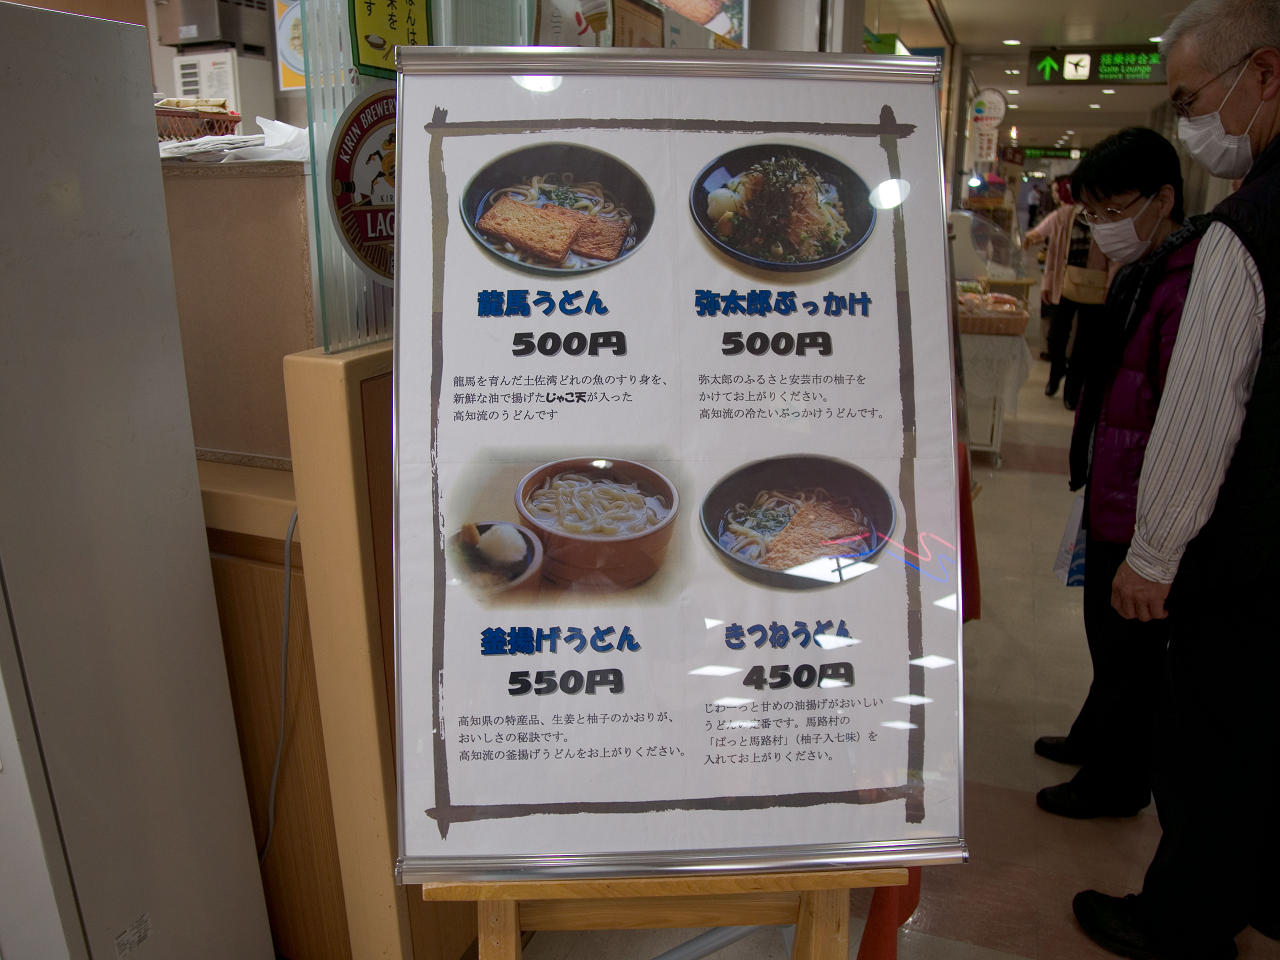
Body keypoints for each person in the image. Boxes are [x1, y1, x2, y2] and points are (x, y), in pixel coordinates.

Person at [1071, 2, 1280, 958]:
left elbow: (1203, 407)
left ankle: (1183, 923)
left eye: (1190, 99)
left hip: (1245, 553)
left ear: (1263, 75)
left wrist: (1153, 552)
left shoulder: (1245, 230)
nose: (1191, 120)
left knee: (1213, 742)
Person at [1032, 128, 1206, 823]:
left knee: (1131, 646)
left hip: (1142, 497)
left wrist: (1155, 528)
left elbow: (1181, 411)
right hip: (1111, 483)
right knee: (1105, 632)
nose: (1102, 225)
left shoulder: (1186, 282)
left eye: (1113, 209)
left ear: (1163, 198)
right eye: (1093, 211)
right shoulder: (1144, 268)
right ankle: (1093, 734)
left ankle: (1117, 780)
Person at [1023, 177, 1112, 405]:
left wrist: (1110, 285)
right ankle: (1055, 374)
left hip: (1094, 286)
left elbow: (1113, 256)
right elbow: (1044, 240)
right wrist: (1046, 283)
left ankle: (1072, 389)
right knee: (1057, 335)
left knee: (1084, 340)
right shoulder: (1064, 215)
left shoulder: (1106, 217)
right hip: (1064, 284)